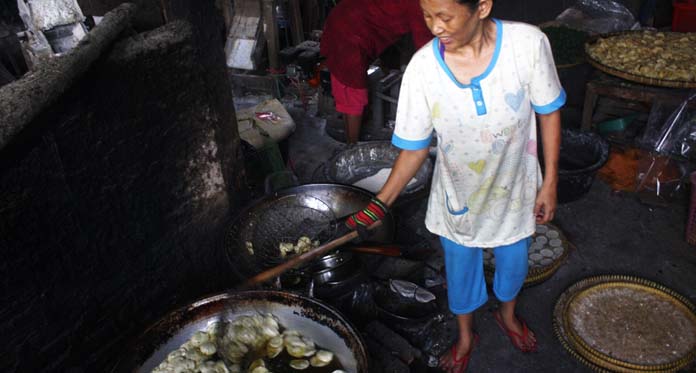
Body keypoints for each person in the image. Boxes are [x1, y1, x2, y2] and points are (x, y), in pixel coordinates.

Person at [345, 0, 564, 371]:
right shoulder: (423, 70)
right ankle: (465, 337)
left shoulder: (527, 45)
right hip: (457, 196)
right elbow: (413, 152)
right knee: (461, 269)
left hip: (517, 188)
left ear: (481, 7)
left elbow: (548, 110)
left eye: (445, 16)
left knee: (513, 262)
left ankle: (506, 315)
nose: (435, 27)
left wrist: (551, 181)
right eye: (427, 16)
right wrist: (378, 205)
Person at [320, 0, 433, 144]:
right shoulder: (421, 4)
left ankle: (355, 132)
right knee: (353, 92)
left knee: (352, 91)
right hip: (349, 28)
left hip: (350, 17)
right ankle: (351, 149)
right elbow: (427, 50)